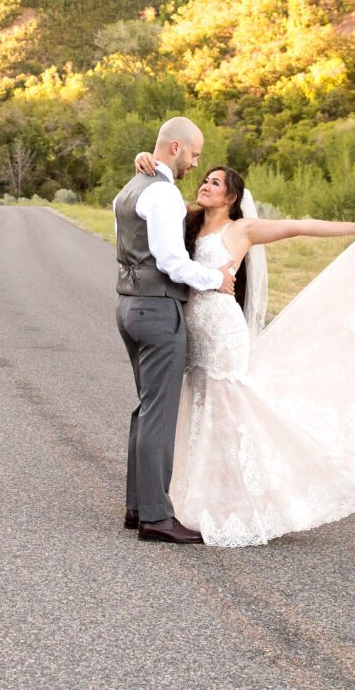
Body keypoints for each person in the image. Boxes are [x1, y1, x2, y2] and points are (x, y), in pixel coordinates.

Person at [134, 153, 355, 547]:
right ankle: (190, 497)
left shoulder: (242, 228)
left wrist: (351, 227)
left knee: (230, 411)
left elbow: (296, 226)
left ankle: (245, 503)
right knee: (200, 406)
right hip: (193, 328)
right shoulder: (187, 223)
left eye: (215, 183)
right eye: (205, 179)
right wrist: (145, 159)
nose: (205, 185)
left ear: (231, 197)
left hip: (222, 330)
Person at [113, 117, 236, 544]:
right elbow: (170, 262)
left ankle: (136, 506)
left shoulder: (128, 190)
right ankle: (155, 516)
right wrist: (213, 279)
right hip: (158, 309)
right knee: (159, 413)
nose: (194, 163)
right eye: (194, 154)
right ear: (176, 148)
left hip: (128, 304)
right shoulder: (161, 193)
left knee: (147, 408)